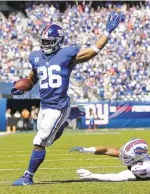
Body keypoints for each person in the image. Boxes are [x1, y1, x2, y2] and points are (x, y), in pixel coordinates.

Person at [11, 12, 124, 186]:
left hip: (58, 106)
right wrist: (24, 88)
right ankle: (68, 118)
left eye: (49, 42)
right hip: (45, 105)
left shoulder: (67, 55)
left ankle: (27, 176)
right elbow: (33, 78)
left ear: (58, 42)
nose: (45, 45)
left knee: (39, 141)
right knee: (48, 140)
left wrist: (107, 32)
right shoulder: (36, 57)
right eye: (44, 42)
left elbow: (92, 51)